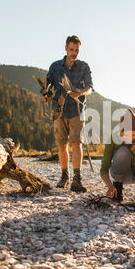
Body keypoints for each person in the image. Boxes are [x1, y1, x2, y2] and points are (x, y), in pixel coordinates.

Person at [47, 35, 94, 192]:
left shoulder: (83, 66)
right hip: (58, 110)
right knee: (61, 145)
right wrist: (46, 93)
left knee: (76, 143)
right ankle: (64, 176)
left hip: (77, 110)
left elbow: (90, 88)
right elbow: (47, 86)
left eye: (77, 50)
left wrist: (80, 92)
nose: (74, 53)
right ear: (66, 48)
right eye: (72, 49)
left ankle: (77, 179)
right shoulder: (55, 67)